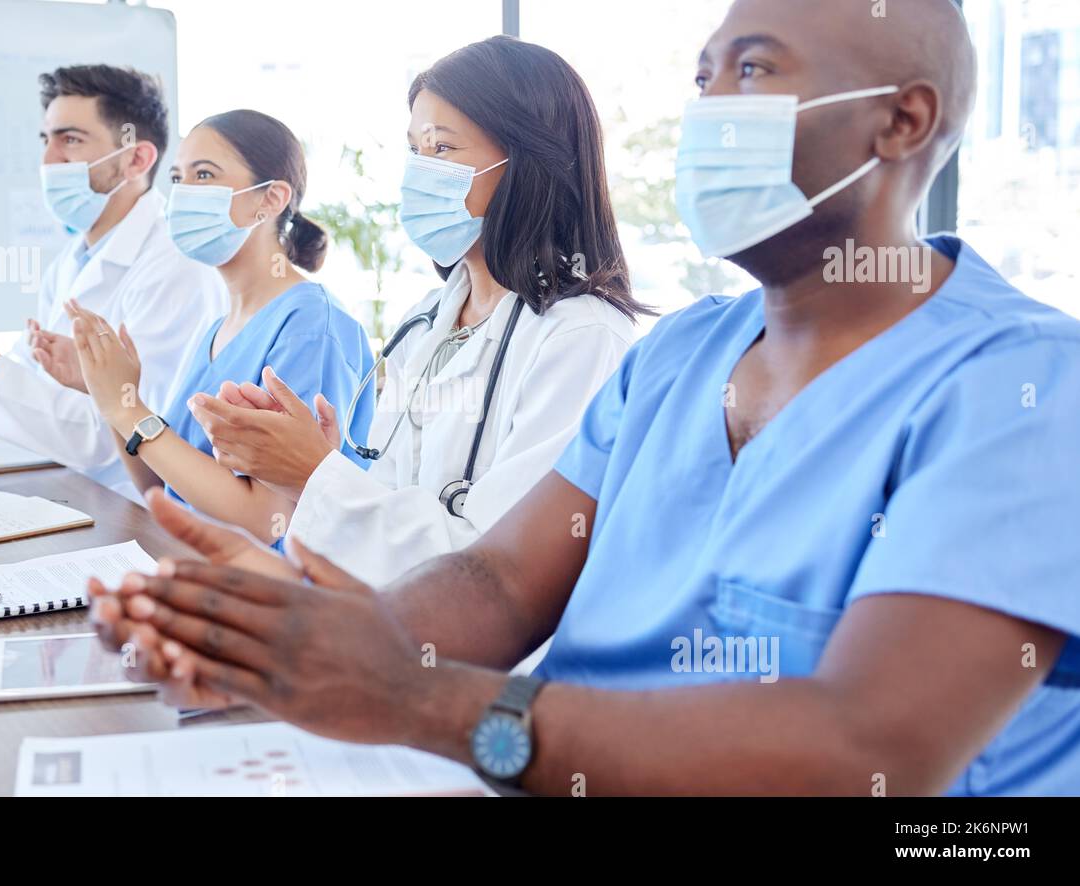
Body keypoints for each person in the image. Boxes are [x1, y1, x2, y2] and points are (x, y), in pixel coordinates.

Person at [90, 0, 1080, 796]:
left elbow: (865, 751)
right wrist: (293, 627)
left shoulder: (1022, 385)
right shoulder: (686, 352)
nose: (707, 108)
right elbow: (500, 584)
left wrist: (416, 698)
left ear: (900, 120)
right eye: (701, 75)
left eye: (752, 70)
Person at [183, 37, 642, 587]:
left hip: (492, 664)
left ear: (527, 163)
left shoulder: (582, 338)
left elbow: (500, 570)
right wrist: (314, 471)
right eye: (415, 151)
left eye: (442, 149)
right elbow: (391, 505)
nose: (420, 172)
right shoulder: (427, 321)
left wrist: (315, 473)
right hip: (395, 631)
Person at [0, 65, 225, 502]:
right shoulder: (73, 260)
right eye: (45, 140)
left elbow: (124, 437)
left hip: (135, 515)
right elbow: (27, 384)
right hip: (74, 495)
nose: (48, 161)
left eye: (70, 140)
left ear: (136, 159)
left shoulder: (176, 268)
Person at [66, 109, 374, 545]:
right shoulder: (217, 328)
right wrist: (113, 396)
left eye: (205, 175)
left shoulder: (310, 326)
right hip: (194, 568)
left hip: (274, 599)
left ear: (270, 199)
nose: (184, 194)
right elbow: (165, 493)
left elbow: (271, 521)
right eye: (177, 179)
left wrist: (129, 412)